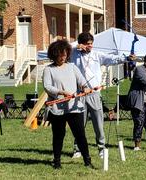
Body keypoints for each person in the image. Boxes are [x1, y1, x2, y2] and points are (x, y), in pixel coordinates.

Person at [70, 32, 134, 158]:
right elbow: (60, 49)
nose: (90, 46)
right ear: (81, 44)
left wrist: (126, 57)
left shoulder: (96, 55)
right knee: (79, 124)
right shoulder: (73, 54)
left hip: (94, 93)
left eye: (91, 44)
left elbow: (112, 58)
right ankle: (77, 149)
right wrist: (76, 47)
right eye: (87, 44)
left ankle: (101, 148)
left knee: (98, 123)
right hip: (80, 94)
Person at [42, 39, 93, 169]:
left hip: (74, 107)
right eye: (60, 55)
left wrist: (85, 87)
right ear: (54, 55)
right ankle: (57, 161)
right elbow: (47, 86)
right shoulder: (49, 69)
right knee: (58, 135)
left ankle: (87, 160)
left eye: (65, 55)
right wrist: (60, 92)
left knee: (80, 134)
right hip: (57, 109)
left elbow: (82, 80)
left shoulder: (72, 67)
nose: (63, 58)